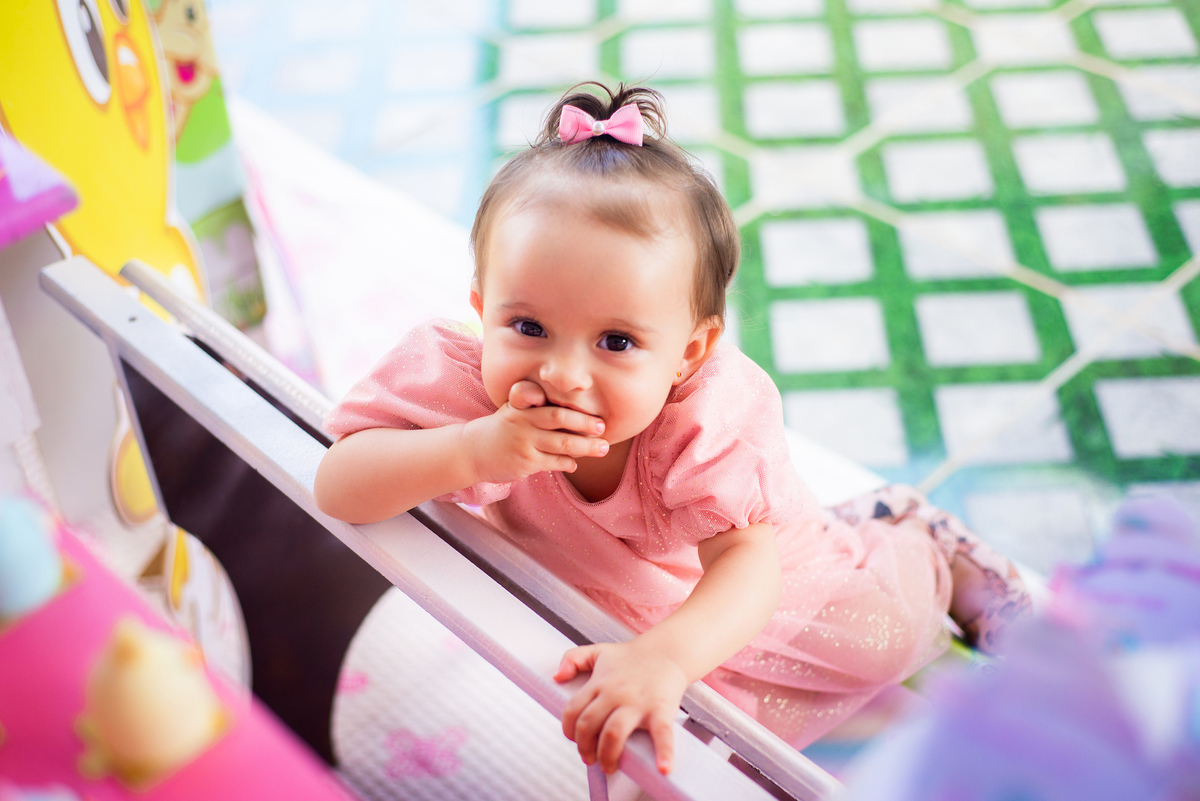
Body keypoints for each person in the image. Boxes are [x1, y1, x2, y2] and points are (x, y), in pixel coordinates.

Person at [314, 82, 1031, 777]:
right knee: (691, 731)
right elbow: (339, 484)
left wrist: (666, 657)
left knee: (880, 641)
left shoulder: (698, 421)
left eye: (616, 342)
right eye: (527, 325)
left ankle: (917, 537)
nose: (563, 373)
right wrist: (473, 447)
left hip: (762, 578)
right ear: (482, 305)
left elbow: (746, 567)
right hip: (634, 600)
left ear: (689, 351)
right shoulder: (461, 386)